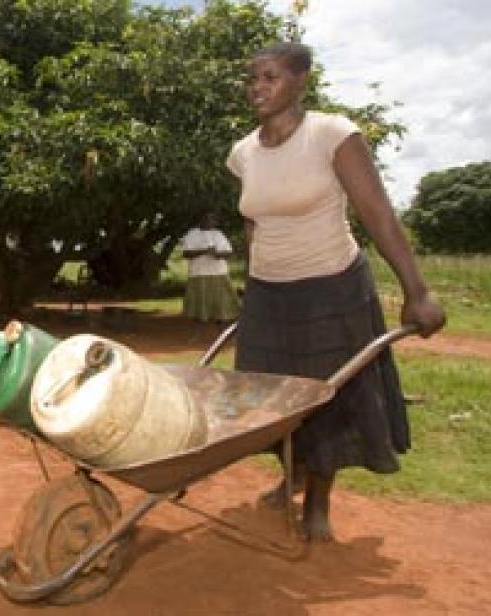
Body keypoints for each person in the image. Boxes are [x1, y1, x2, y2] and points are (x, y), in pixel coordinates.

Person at [227, 42, 445, 541]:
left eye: (270, 77)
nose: (257, 87)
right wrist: (253, 281)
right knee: (274, 400)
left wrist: (418, 290)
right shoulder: (242, 153)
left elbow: (377, 213)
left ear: (301, 79)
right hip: (268, 294)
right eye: (252, 78)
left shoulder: (332, 134)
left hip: (331, 289)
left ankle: (318, 505)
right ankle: (293, 476)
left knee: (327, 397)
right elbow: (254, 223)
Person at [179, 212, 241, 325]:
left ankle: (221, 318)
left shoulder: (219, 234)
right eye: (209, 219)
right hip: (199, 272)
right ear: (201, 220)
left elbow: (229, 252)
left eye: (214, 219)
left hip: (219, 271)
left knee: (222, 296)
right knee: (200, 297)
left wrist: (217, 254)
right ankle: (201, 318)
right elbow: (186, 253)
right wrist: (205, 251)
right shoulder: (192, 234)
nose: (212, 221)